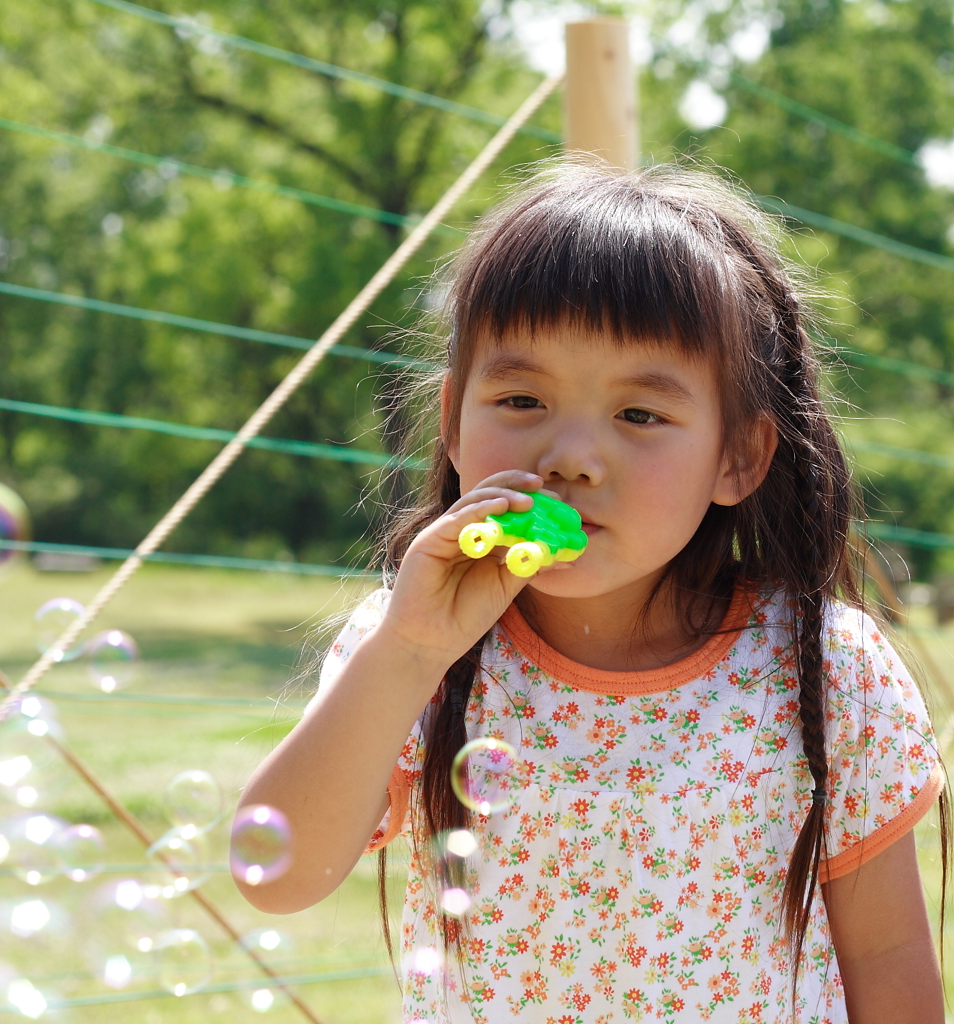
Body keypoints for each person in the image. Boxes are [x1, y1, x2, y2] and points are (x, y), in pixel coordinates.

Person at [236, 163, 947, 1023]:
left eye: (639, 415)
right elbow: (275, 874)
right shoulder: (412, 645)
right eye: (523, 397)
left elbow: (888, 951)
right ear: (455, 420)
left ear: (739, 458)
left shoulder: (824, 667)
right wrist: (411, 650)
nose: (569, 456)